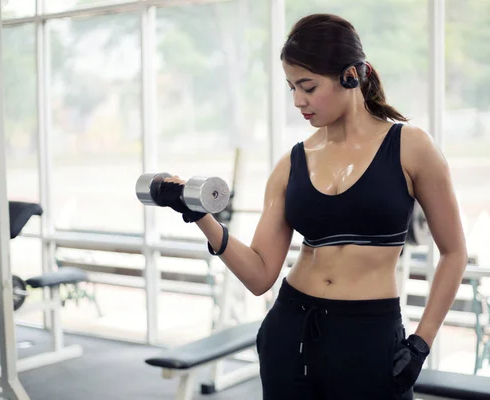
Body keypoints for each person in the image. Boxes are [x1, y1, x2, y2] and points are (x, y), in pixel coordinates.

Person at [159, 13, 468, 400]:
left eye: (308, 86)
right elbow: (259, 276)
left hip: (368, 334)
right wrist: (200, 214)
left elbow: (454, 253)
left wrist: (421, 342)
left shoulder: (412, 146)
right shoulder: (292, 162)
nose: (298, 101)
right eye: (291, 88)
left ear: (352, 75)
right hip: (290, 330)